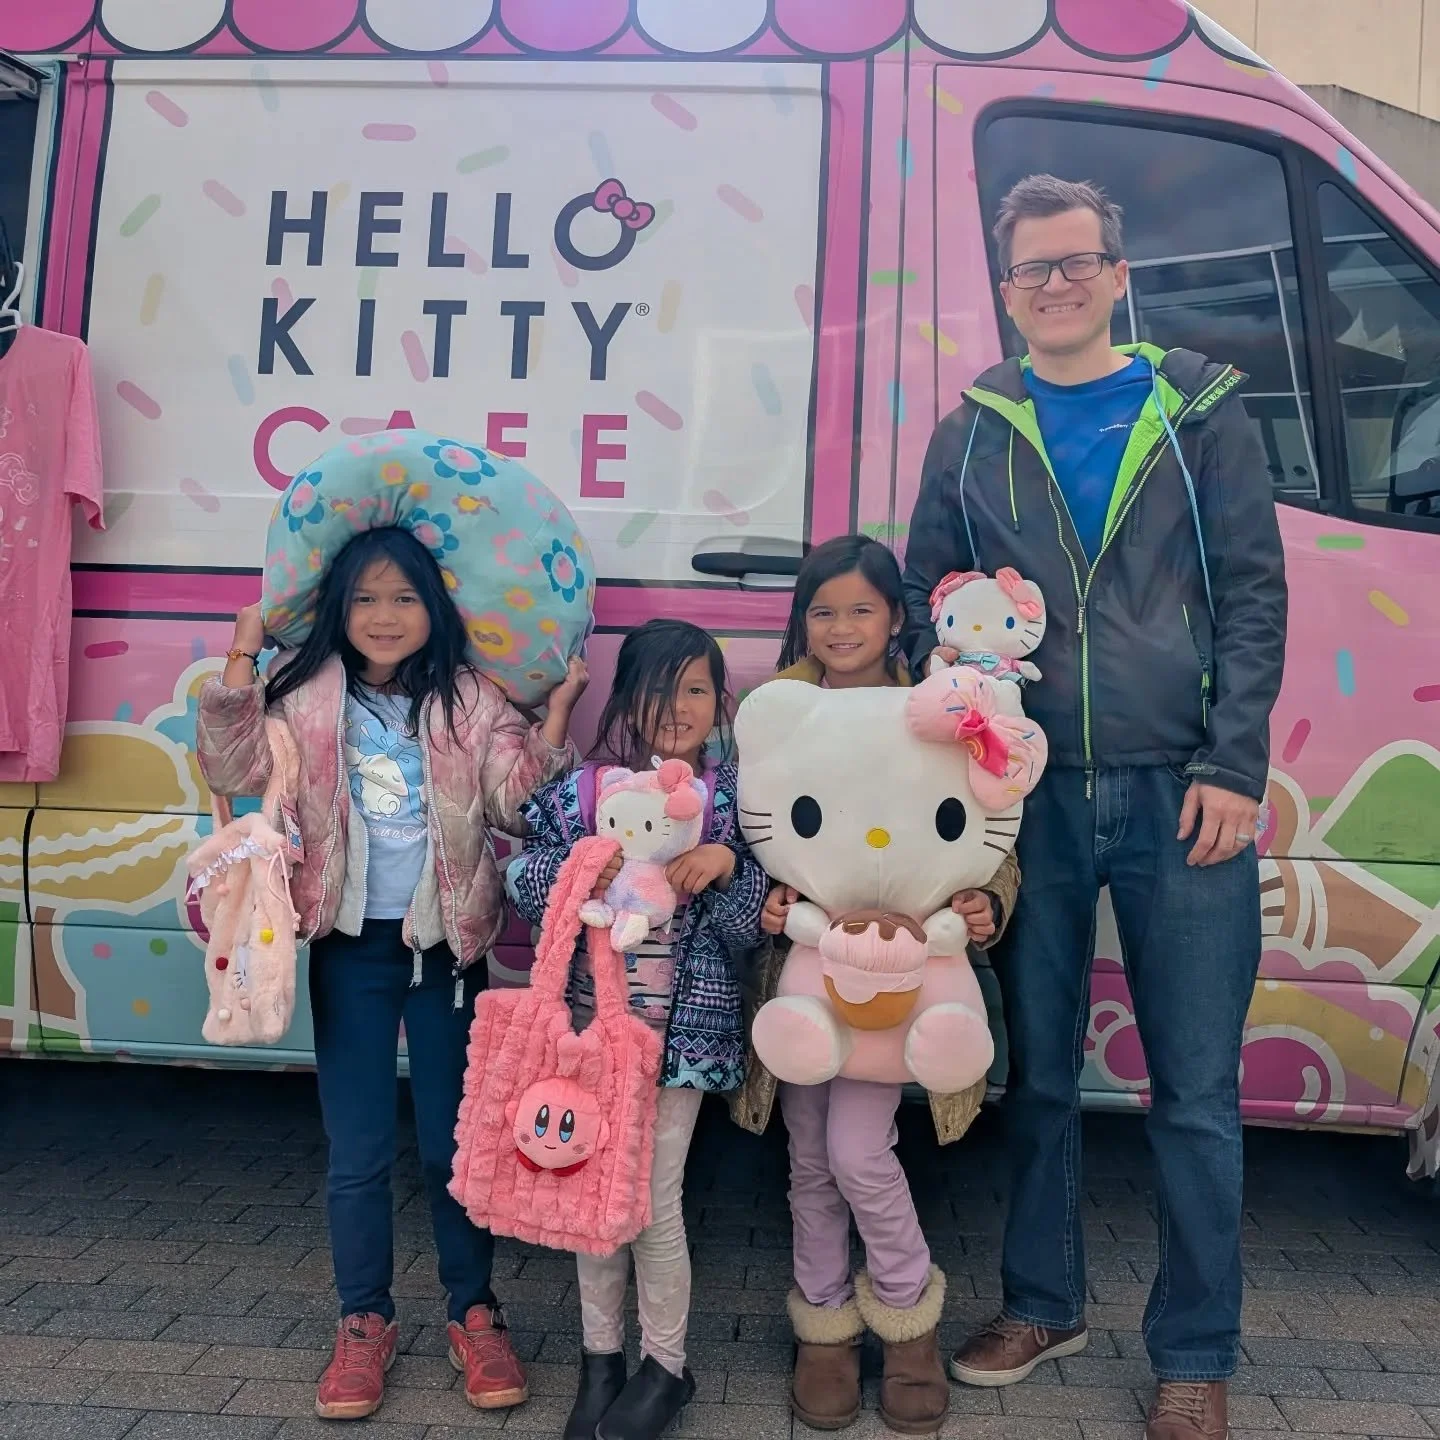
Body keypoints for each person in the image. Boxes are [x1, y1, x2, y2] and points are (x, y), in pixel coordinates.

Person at [901, 176, 1287, 1440]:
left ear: (1121, 274)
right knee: (1042, 1080)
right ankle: (1042, 1298)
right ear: (1006, 292)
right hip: (1027, 806)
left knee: (1194, 1093)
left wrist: (1235, 765)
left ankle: (1194, 1354)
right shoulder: (971, 428)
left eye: (1077, 265)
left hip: (1186, 796)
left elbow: (1251, 592)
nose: (1055, 286)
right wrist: (961, 734)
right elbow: (924, 599)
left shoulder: (1201, 411)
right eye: (1031, 271)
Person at [197, 526, 586, 1422]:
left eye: (404, 598)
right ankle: (364, 1321)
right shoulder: (300, 700)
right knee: (359, 1153)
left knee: (458, 1149)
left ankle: (474, 1314)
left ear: (434, 609)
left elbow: (521, 807)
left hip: (450, 953)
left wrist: (556, 716)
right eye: (366, 598)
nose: (383, 615)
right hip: (348, 948)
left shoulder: (470, 701)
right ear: (338, 609)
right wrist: (242, 659)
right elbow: (230, 765)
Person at [729, 535, 1020, 1434]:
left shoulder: (936, 709)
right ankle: (823, 1327)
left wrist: (983, 902)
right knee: (810, 1160)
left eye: (861, 609)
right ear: (801, 622)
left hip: (899, 985)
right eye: (823, 611)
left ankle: (908, 1323)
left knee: (859, 1151)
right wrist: (767, 898)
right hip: (802, 977)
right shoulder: (783, 710)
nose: (842, 627)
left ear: (897, 617)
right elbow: (741, 835)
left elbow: (990, 833)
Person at [507, 618, 768, 1440]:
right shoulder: (589, 792)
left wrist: (726, 868)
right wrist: (584, 864)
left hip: (681, 1046)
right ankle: (600, 1363)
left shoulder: (730, 803)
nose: (678, 705)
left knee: (652, 1204)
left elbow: (752, 927)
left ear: (718, 702)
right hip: (591, 1039)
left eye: (697, 689)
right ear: (628, 697)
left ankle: (666, 1366)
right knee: (593, 1196)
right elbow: (518, 872)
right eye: (662, 687)